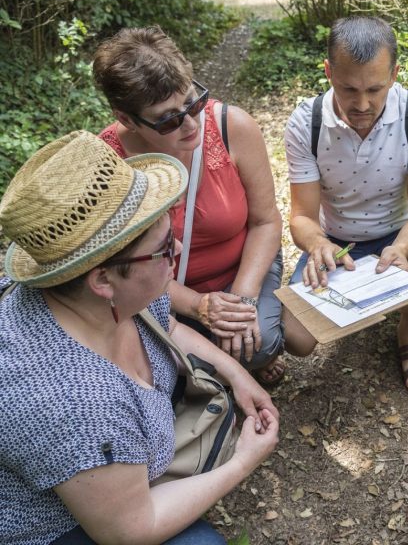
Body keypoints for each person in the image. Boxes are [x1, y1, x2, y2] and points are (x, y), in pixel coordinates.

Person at [0, 131, 279, 544]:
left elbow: (168, 327)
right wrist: (242, 462)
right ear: (102, 279)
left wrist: (238, 376)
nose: (180, 248)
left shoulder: (103, 295)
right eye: (165, 248)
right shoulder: (78, 406)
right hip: (60, 526)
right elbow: (131, 530)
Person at [93, 25, 309, 386]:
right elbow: (119, 267)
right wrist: (198, 305)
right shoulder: (109, 162)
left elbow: (266, 222)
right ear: (127, 119)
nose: (191, 124)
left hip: (239, 270)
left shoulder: (232, 127)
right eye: (169, 119)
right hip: (157, 288)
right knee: (152, 369)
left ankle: (242, 360)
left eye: (194, 102)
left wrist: (240, 302)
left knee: (258, 343)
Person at [283, 15, 408, 394]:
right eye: (348, 89)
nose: (362, 103)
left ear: (394, 74)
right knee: (296, 339)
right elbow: (303, 218)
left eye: (375, 89)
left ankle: (407, 334)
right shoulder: (306, 122)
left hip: (396, 234)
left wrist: (402, 249)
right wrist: (319, 245)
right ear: (327, 72)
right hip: (336, 241)